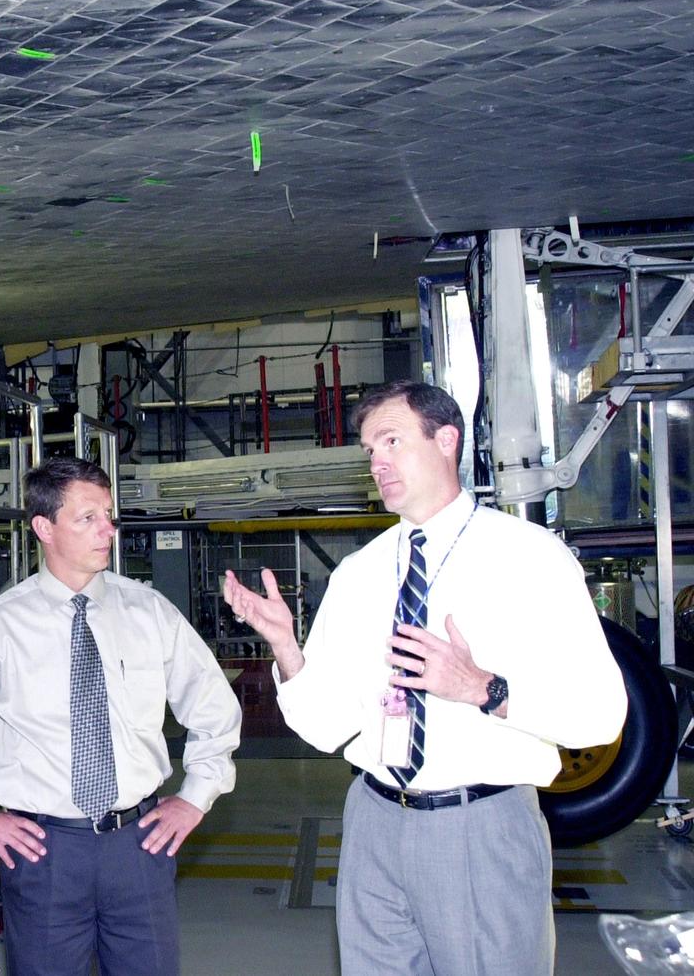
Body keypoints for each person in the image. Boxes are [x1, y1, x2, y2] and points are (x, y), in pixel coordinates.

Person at [223, 380, 628, 976]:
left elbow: (601, 714)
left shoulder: (530, 558)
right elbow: (327, 726)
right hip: (372, 820)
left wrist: (483, 689)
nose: (377, 461)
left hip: (481, 825)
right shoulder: (359, 574)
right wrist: (285, 645)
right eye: (368, 450)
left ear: (447, 440)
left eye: (391, 441)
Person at [0, 456, 241, 976]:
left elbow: (214, 706)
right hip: (44, 853)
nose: (107, 530)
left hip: (139, 846)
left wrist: (196, 796)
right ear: (44, 527)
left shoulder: (149, 611)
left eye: (109, 515)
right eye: (87, 518)